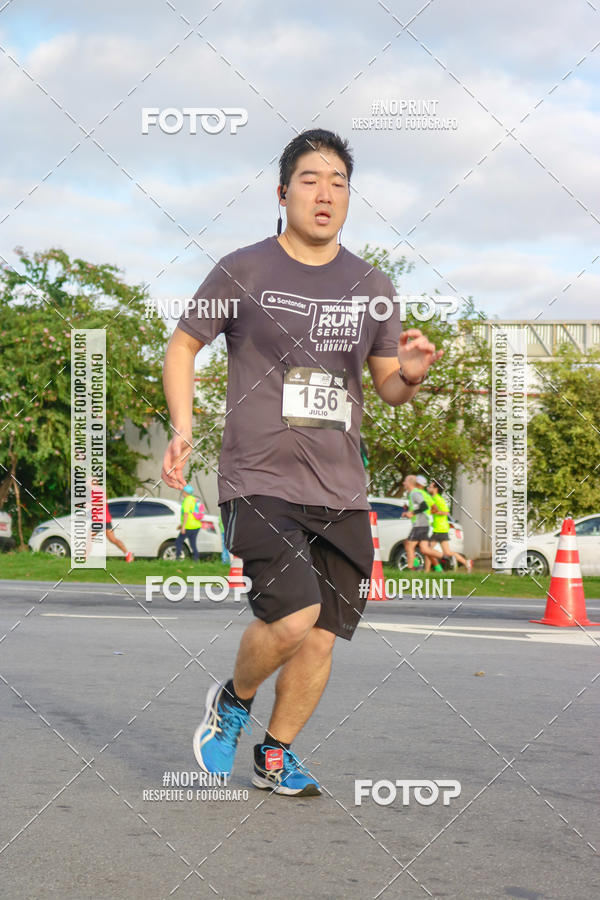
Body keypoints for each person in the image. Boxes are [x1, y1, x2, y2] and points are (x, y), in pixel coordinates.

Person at [161, 128, 443, 796]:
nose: (326, 193)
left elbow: (388, 390)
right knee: (291, 614)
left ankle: (275, 754)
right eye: (311, 179)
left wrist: (413, 373)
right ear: (283, 191)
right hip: (260, 478)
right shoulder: (244, 269)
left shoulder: (372, 284)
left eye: (339, 182)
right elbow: (182, 346)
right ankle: (233, 701)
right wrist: (182, 425)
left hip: (342, 487)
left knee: (321, 635)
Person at [426, 479, 472, 571]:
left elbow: (446, 512)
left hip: (439, 529)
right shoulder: (435, 498)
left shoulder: (437, 499)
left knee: (427, 550)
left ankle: (426, 572)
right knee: (446, 552)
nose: (428, 488)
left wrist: (435, 512)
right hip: (440, 528)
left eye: (430, 486)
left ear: (435, 489)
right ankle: (466, 563)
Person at [174, 484, 203, 561]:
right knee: (192, 544)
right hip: (196, 525)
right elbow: (191, 513)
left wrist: (183, 527)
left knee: (178, 542)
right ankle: (196, 559)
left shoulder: (187, 501)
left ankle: (178, 558)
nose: (182, 492)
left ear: (185, 492)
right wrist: (181, 525)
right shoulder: (194, 499)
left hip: (189, 526)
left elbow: (186, 514)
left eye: (183, 491)